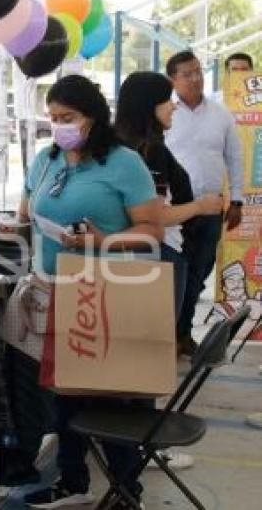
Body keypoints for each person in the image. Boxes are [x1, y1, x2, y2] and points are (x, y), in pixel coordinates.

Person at [12, 75, 163, 509]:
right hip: (55, 290)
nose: (59, 126)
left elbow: (152, 231)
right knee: (63, 397)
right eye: (53, 118)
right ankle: (72, 479)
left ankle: (124, 489)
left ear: (93, 118)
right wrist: (13, 225)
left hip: (108, 293)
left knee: (108, 397)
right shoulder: (46, 160)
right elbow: (28, 211)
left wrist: (100, 240)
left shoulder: (123, 162)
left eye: (68, 118)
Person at [115, 71, 225, 473]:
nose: (174, 105)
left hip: (142, 259)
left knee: (134, 357)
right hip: (157, 257)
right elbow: (157, 216)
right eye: (167, 100)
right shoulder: (147, 153)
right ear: (150, 106)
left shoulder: (128, 146)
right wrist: (201, 207)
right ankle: (141, 446)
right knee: (148, 358)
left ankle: (125, 445)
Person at [165, 50, 244, 357]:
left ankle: (182, 333)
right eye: (187, 73)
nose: (196, 78)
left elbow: (234, 158)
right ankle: (171, 335)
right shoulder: (167, 114)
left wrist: (235, 200)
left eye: (198, 71)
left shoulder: (221, 114)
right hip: (175, 212)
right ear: (173, 79)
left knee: (200, 272)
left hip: (211, 208)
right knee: (176, 274)